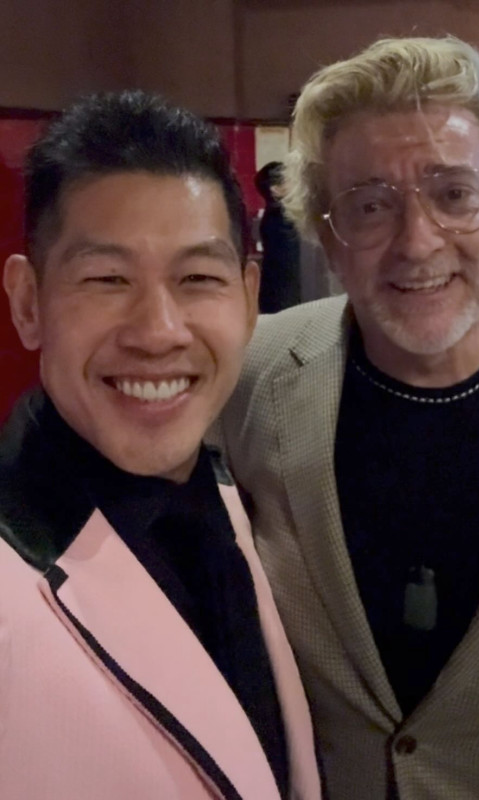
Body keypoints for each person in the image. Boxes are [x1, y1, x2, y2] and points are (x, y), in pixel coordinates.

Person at [214, 37, 479, 800]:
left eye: (453, 194)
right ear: (327, 237)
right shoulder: (247, 375)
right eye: (370, 205)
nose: (417, 243)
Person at [0, 90, 321, 800]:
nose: (159, 329)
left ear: (246, 297)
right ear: (29, 303)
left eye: (198, 278)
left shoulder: (239, 505)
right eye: (107, 279)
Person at [254, 161, 301, 313]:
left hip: (277, 297)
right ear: (275, 190)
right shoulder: (281, 221)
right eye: (289, 181)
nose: (295, 185)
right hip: (284, 299)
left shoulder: (274, 216)